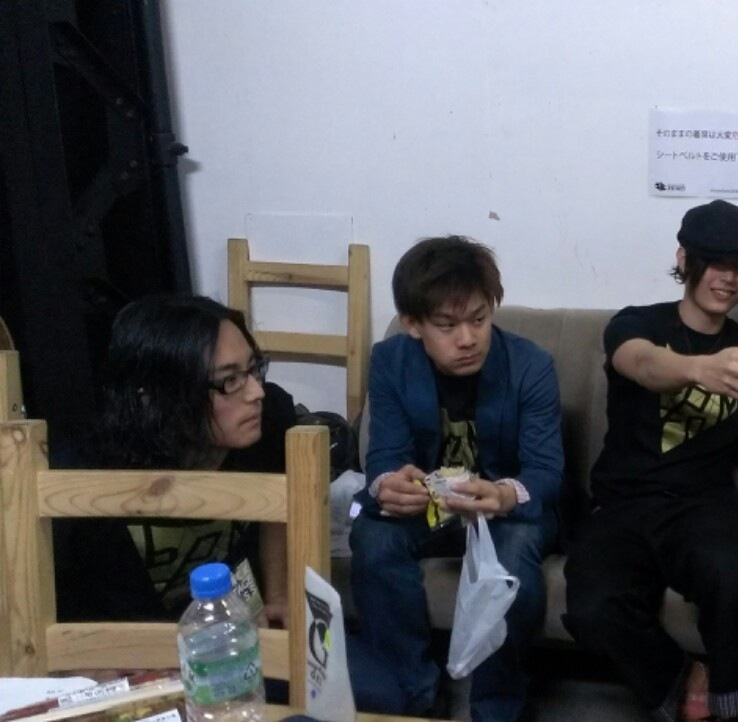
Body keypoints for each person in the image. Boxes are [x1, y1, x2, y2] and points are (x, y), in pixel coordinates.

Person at [562, 200, 738, 722]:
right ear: (685, 259)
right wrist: (700, 369)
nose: (729, 279)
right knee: (593, 609)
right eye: (716, 263)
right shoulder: (637, 324)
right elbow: (642, 364)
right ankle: (684, 678)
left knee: (734, 579)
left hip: (703, 505)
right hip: (623, 503)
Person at [349, 235, 562, 722]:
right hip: (432, 509)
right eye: (447, 326)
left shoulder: (531, 365)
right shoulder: (391, 361)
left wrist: (505, 494)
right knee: (372, 536)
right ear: (413, 324)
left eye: (479, 320)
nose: (468, 339)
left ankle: (497, 710)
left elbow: (547, 472)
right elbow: (384, 456)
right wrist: (387, 483)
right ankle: (410, 699)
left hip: (506, 514)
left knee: (510, 560)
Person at [54, 294, 294, 625]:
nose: (256, 392)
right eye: (230, 380)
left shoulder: (270, 421)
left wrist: (278, 595)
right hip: (130, 644)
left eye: (253, 369)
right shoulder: (83, 479)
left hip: (233, 637)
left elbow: (277, 505)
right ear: (157, 397)